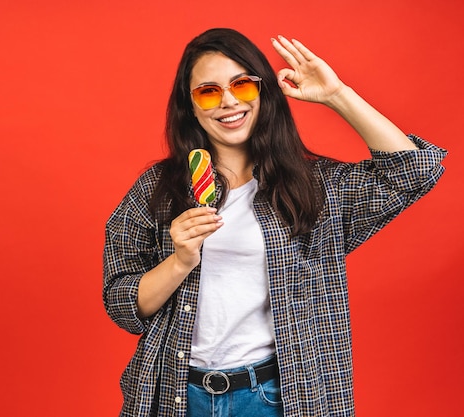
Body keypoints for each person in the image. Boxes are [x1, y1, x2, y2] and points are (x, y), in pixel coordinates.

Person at [102, 28, 446, 417]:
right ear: (191, 106)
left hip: (277, 396)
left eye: (242, 85)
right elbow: (122, 304)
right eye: (209, 91)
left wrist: (337, 95)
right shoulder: (157, 190)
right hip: (178, 394)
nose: (229, 102)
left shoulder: (314, 188)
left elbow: (416, 171)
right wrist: (180, 260)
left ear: (263, 91)